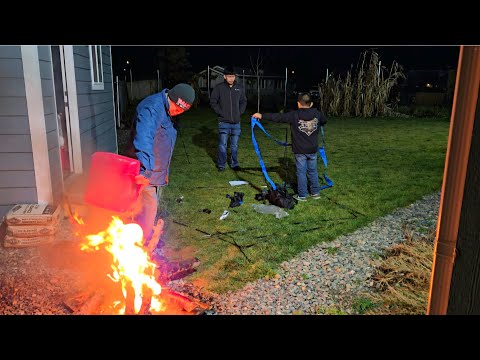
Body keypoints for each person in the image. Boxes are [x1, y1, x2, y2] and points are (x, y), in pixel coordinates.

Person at [125, 83, 195, 249]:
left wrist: (164, 171)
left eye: (182, 111)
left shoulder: (169, 110)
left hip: (157, 172)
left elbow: (164, 142)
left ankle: (145, 238)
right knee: (146, 207)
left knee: (148, 209)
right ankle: (139, 245)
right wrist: (145, 170)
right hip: (144, 172)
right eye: (177, 108)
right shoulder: (152, 108)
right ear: (171, 97)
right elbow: (144, 139)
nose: (178, 113)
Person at [252, 92, 328, 201]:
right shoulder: (317, 114)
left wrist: (261, 115)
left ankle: (302, 195)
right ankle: (315, 193)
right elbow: (324, 120)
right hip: (312, 149)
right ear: (311, 104)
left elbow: (278, 117)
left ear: (298, 104)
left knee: (301, 172)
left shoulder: (294, 115)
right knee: (313, 171)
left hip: (300, 150)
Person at [209, 66, 247, 172]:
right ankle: (221, 165)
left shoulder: (239, 88)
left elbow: (244, 101)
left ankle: (234, 164)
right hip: (223, 122)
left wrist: (240, 112)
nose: (231, 79)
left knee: (234, 145)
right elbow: (213, 102)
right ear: (225, 77)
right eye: (229, 76)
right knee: (222, 145)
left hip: (236, 123)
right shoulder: (219, 88)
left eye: (233, 76)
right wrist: (221, 113)